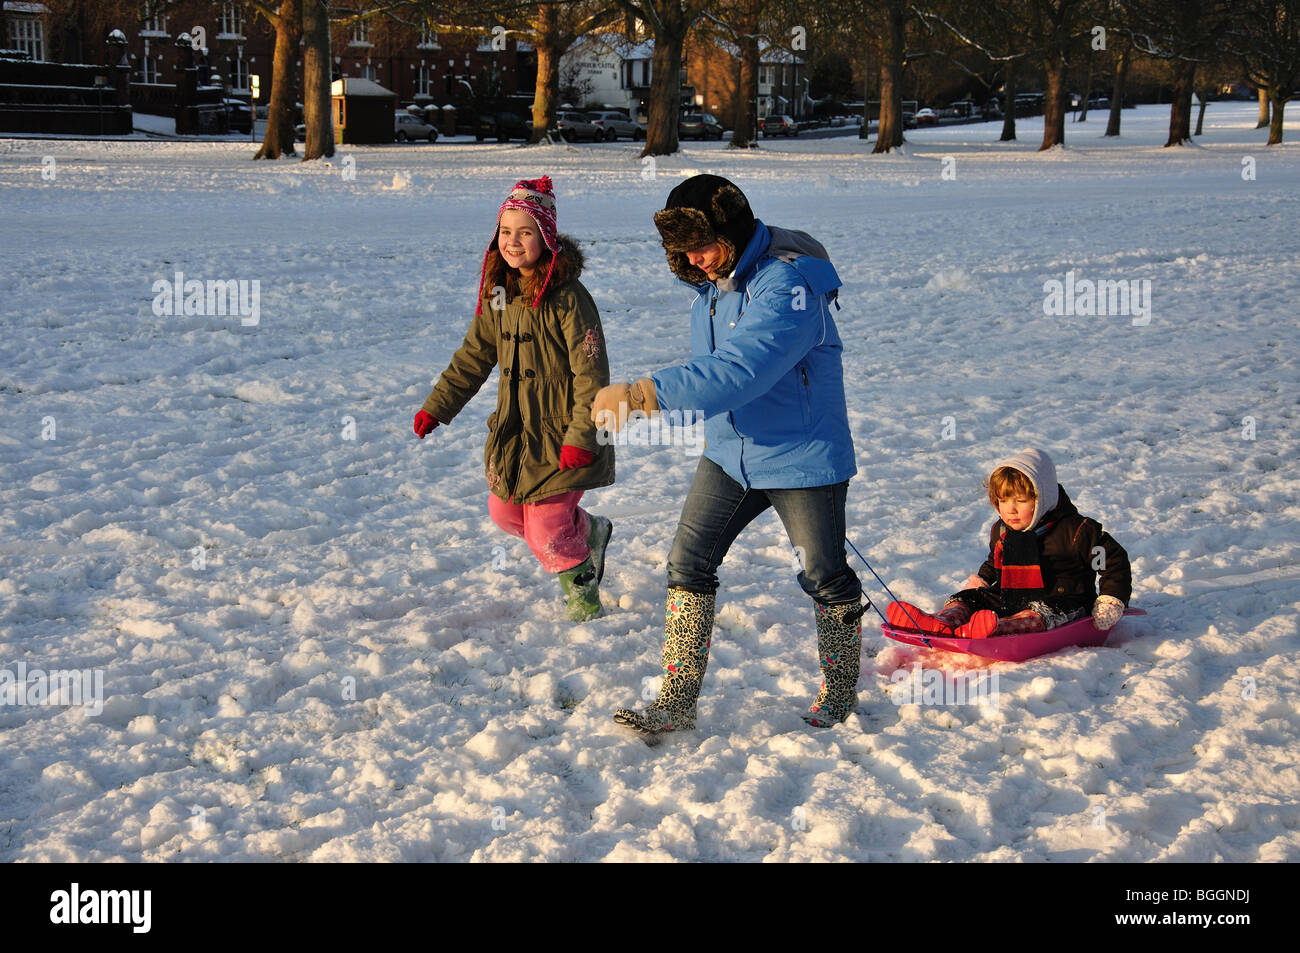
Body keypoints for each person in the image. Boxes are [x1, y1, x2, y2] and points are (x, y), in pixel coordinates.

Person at [591, 174, 863, 734]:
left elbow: (741, 371)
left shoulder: (787, 284)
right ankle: (675, 703)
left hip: (802, 456)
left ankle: (838, 693)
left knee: (823, 575)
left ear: (734, 230)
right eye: (684, 251)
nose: (697, 259)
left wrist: (645, 394)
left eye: (704, 245)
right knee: (688, 564)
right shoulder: (713, 288)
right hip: (730, 456)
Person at [412, 176, 614, 621]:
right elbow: (474, 355)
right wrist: (437, 405)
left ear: (545, 236)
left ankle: (585, 607)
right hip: (516, 433)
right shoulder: (498, 292)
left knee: (546, 530)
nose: (514, 242)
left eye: (526, 232)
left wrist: (583, 434)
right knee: (505, 512)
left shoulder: (568, 298)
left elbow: (591, 372)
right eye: (506, 232)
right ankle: (590, 532)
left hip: (564, 434)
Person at [887, 448, 1132, 639]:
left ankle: (995, 629)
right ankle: (943, 622)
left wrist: (1110, 598)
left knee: (1040, 614)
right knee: (971, 598)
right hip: (1011, 596)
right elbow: (995, 563)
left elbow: (1112, 561)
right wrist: (980, 584)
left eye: (1021, 500)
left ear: (1043, 497)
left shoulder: (1078, 531)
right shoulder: (1002, 530)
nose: (1010, 510)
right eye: (1003, 501)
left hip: (1062, 600)